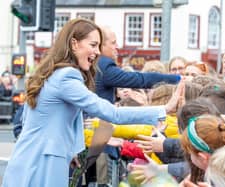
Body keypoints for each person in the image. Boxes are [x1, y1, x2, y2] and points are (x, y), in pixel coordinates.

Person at [2, 18, 184, 187]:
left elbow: (55, 118)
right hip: (45, 161)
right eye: (93, 45)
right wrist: (165, 109)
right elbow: (113, 114)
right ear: (74, 44)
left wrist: (73, 149)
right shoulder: (67, 77)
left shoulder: (51, 73)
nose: (97, 52)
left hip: (27, 159)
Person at [94, 26, 181, 186]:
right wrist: (178, 79)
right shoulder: (103, 65)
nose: (117, 47)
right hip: (100, 139)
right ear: (100, 45)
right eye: (113, 43)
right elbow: (140, 79)